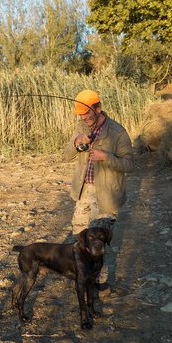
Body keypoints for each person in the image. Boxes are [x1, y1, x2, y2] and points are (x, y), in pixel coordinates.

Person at [62, 89, 135, 293]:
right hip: (83, 192)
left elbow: (130, 164)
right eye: (81, 115)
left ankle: (99, 283)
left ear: (98, 108)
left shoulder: (117, 132)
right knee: (79, 235)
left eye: (87, 114)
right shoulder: (80, 126)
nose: (84, 118)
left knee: (98, 240)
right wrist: (77, 144)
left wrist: (106, 157)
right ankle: (82, 273)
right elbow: (66, 154)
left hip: (107, 196)